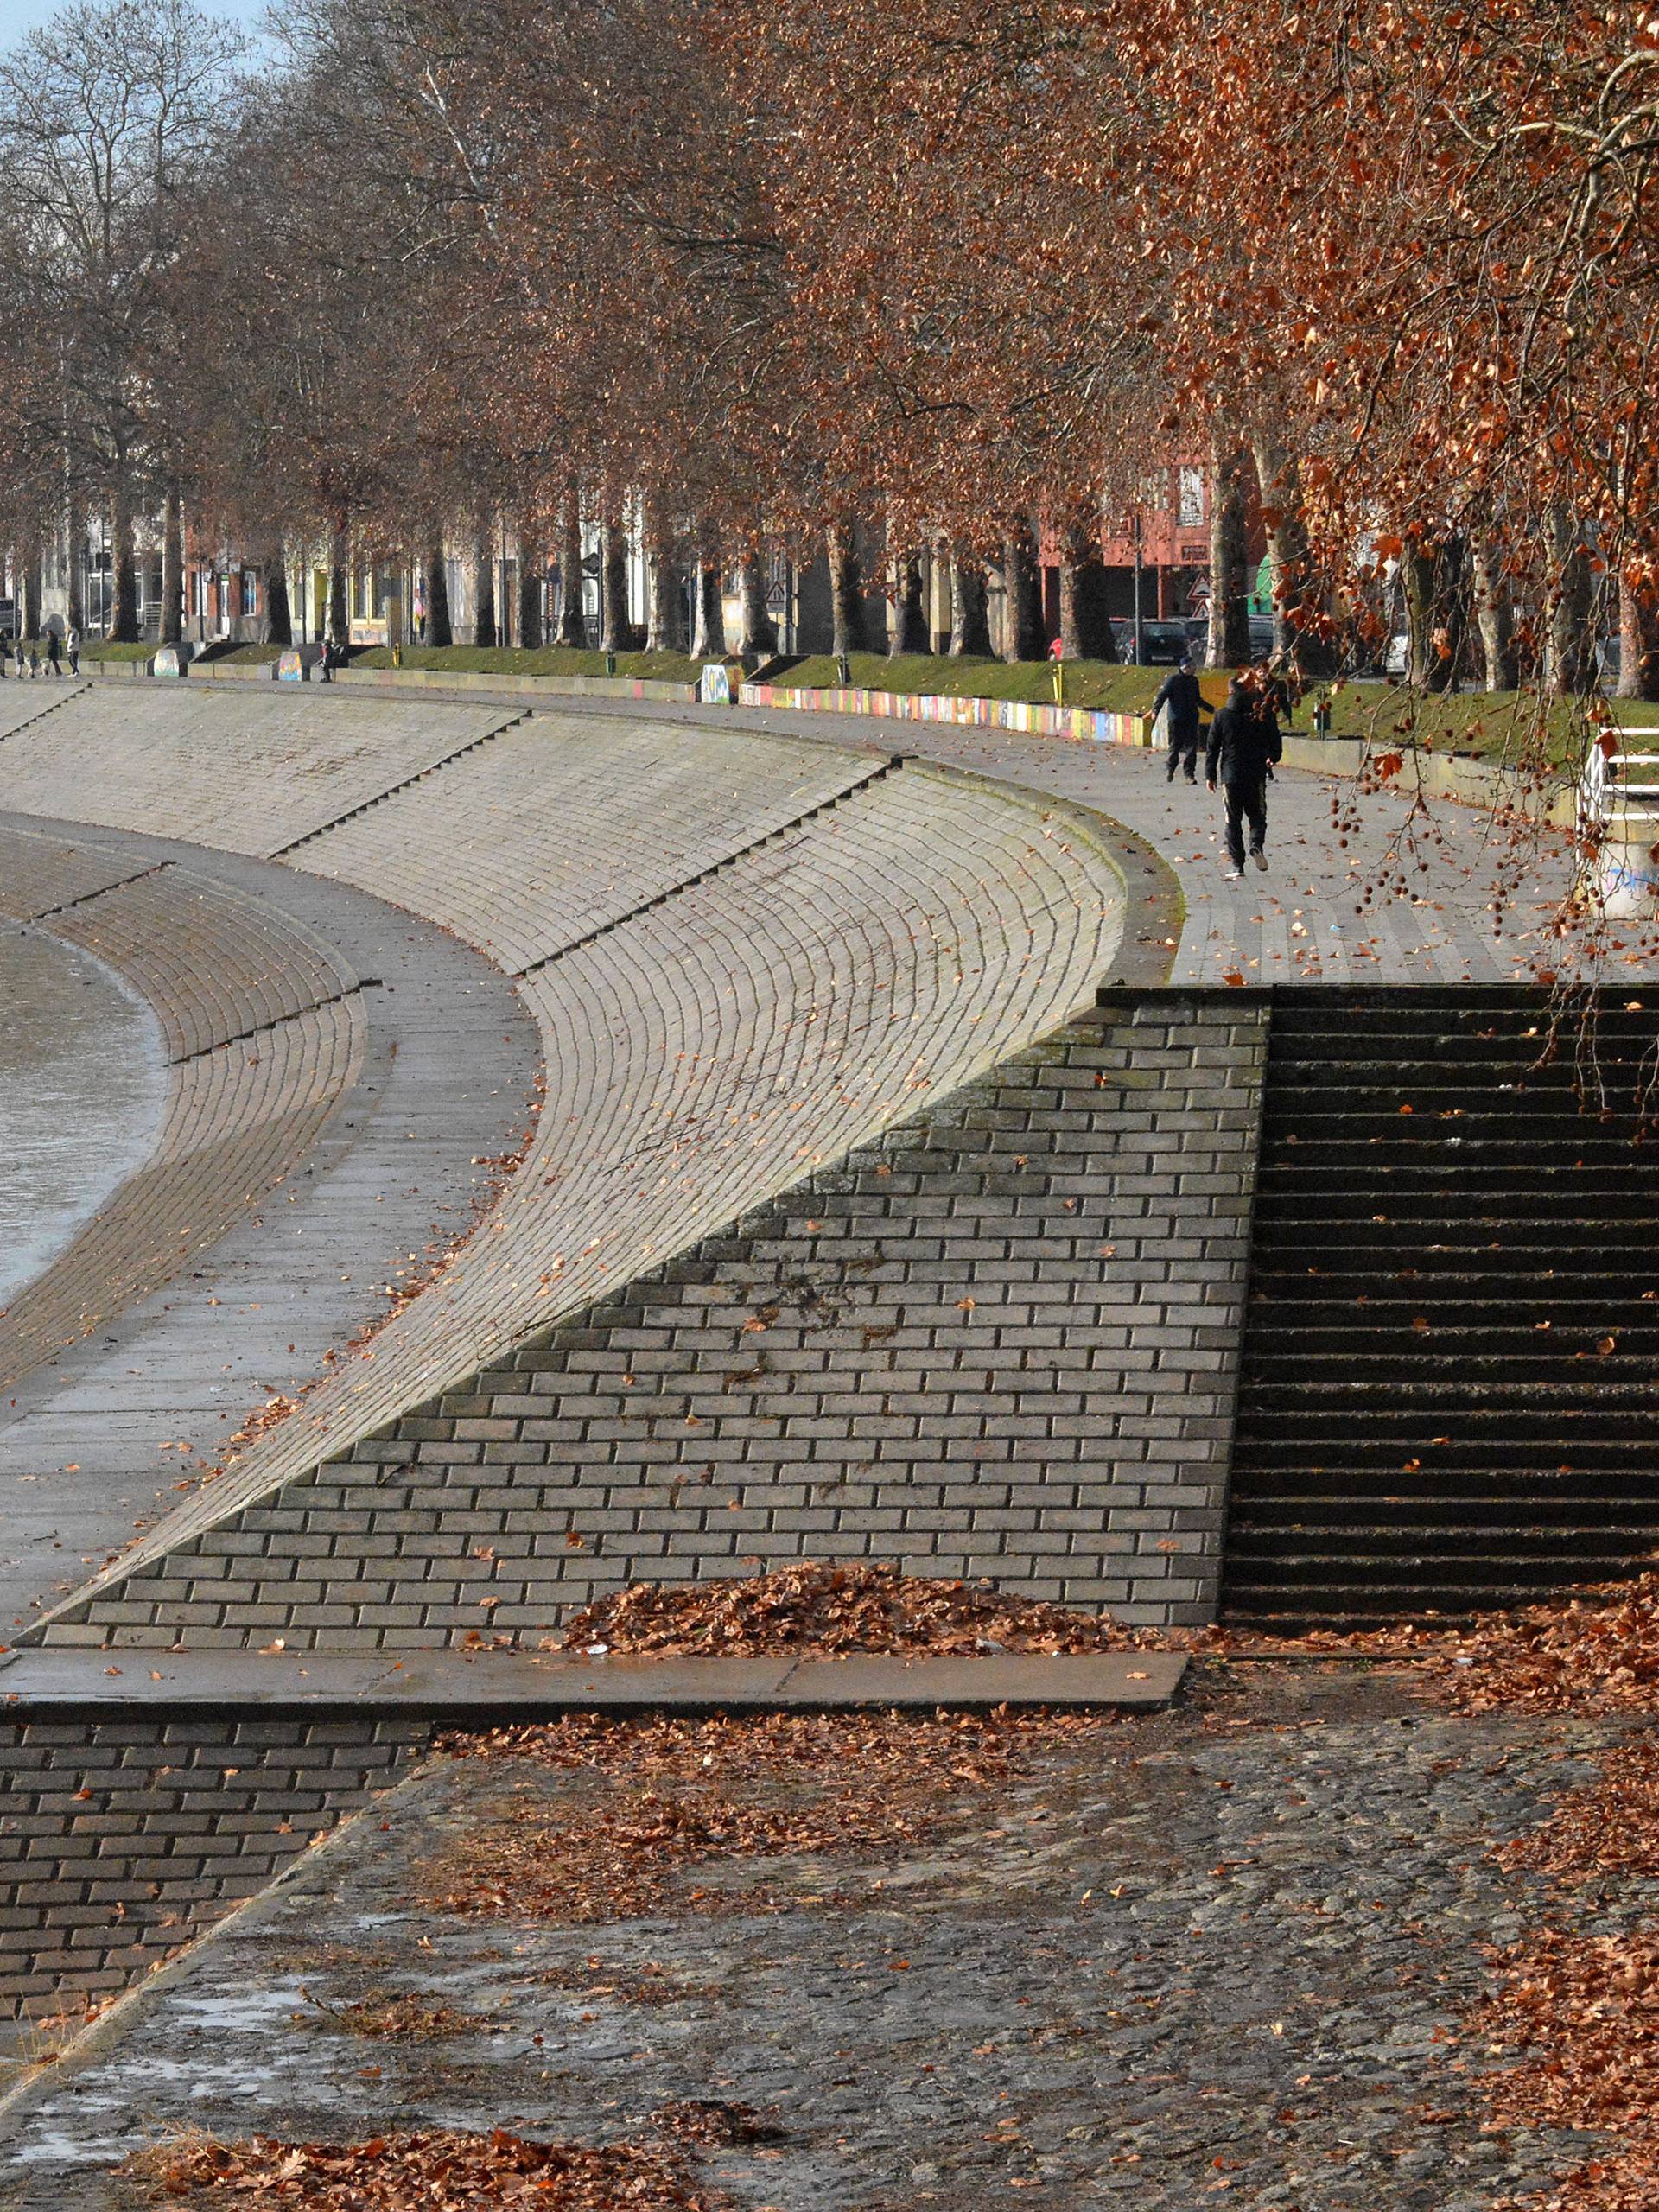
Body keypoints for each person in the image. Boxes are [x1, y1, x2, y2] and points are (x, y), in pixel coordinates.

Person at [1205, 671, 1283, 878]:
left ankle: (1237, 865)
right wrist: (1273, 757)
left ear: (1230, 692)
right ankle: (1256, 844)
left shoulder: (1222, 716)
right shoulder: (1262, 714)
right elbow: (1275, 739)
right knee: (1258, 815)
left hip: (1230, 776)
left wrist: (1210, 775)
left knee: (1232, 820)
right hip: (1256, 774)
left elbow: (1212, 747)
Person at [1153, 654, 1208, 783]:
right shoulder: (1173, 680)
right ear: (1185, 667)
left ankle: (1189, 775)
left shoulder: (1194, 681)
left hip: (1191, 718)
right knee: (1175, 746)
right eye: (1192, 666)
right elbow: (1162, 696)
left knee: (1191, 747)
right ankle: (1171, 769)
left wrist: (1210, 709)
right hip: (1176, 718)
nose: (1195, 668)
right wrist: (1156, 710)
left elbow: (1197, 699)